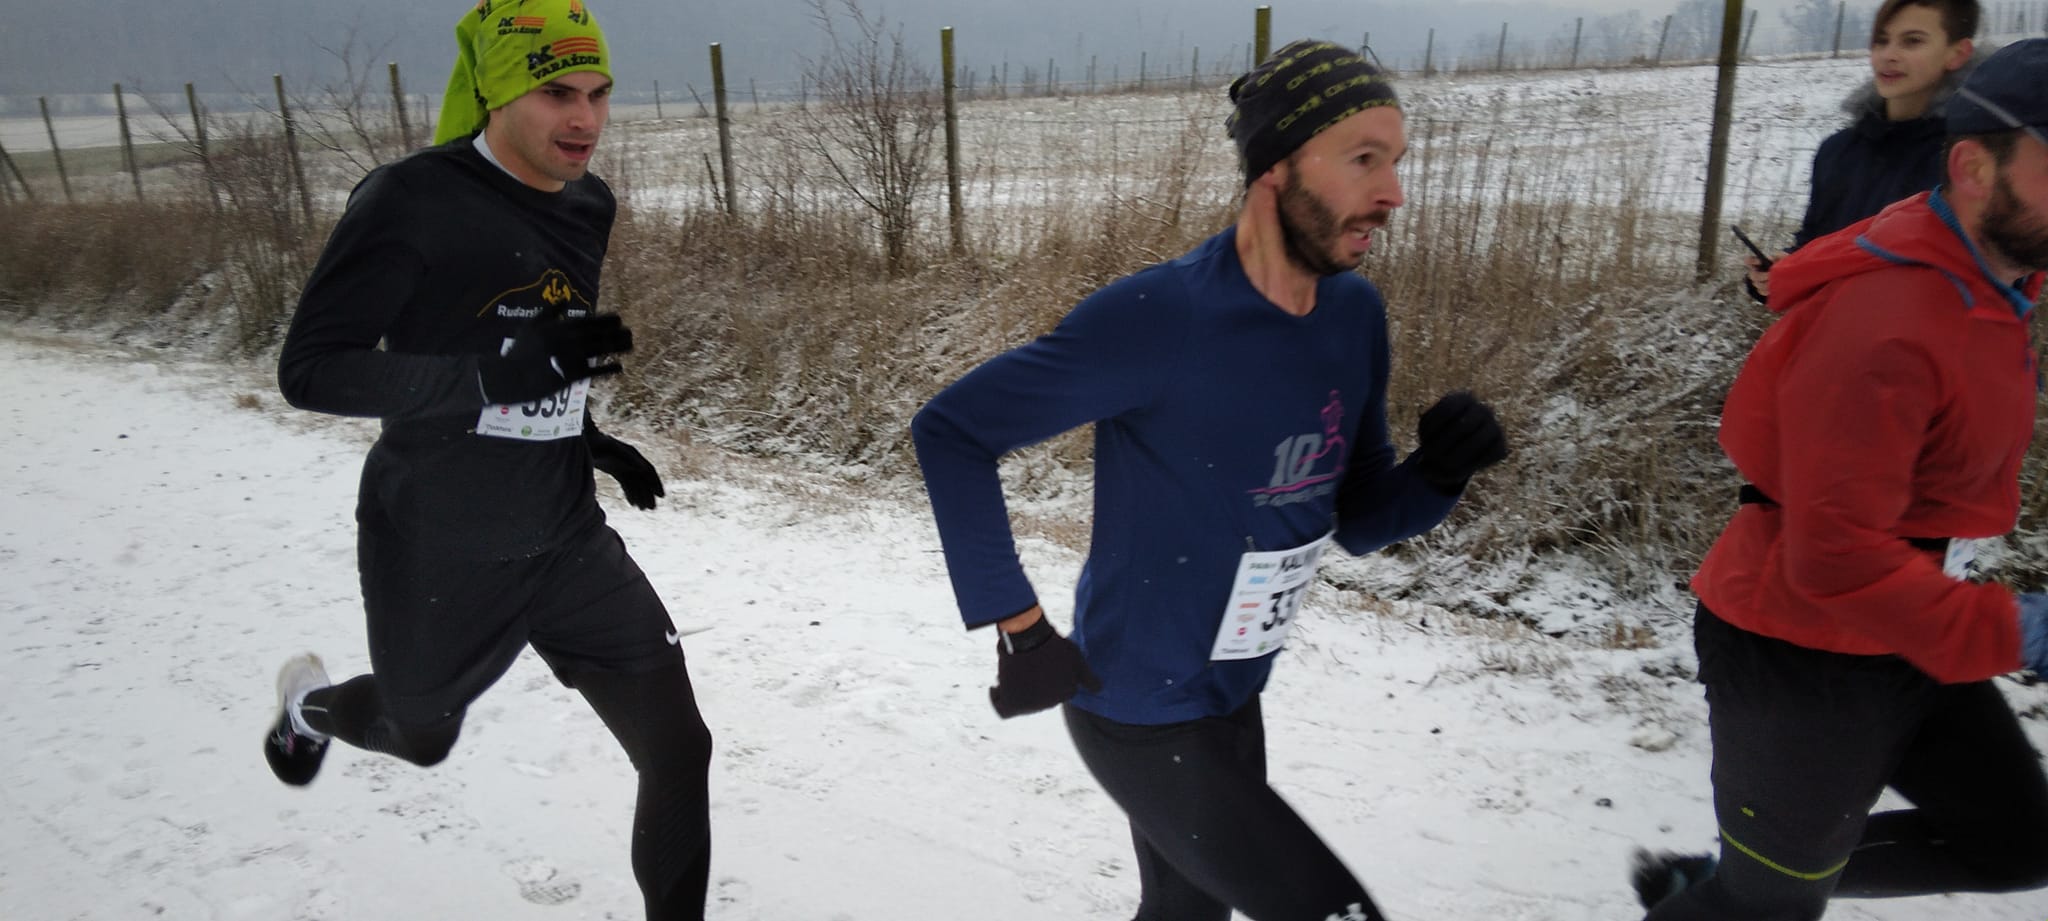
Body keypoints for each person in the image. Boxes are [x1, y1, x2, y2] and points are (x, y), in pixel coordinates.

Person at [911, 40, 1508, 921]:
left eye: (1397, 161)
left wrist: (1440, 473)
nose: (1394, 193)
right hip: (1138, 707)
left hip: (1234, 693)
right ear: (1277, 166)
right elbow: (953, 431)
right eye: (1364, 159)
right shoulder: (1161, 317)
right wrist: (1021, 627)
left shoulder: (1353, 315)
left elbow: (1358, 517)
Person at [261, 2, 712, 918]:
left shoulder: (587, 202)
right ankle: (310, 708)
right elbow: (311, 370)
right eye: (558, 93)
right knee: (419, 736)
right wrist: (491, 378)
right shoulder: (409, 200)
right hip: (439, 542)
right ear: (499, 93)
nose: (584, 118)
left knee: (678, 749)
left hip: (564, 538)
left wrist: (590, 439)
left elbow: (541, 343)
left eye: (598, 93)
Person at [1634, 37, 2048, 921]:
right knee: (1766, 911)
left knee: (2019, 840)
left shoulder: (1990, 279)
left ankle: (1754, 874)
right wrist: (2022, 628)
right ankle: (1746, 887)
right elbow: (1835, 557)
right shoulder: (1888, 320)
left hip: (1909, 622)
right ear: (1974, 168)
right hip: (1801, 647)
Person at [1745, 0, 1978, 303]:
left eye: (1912, 41)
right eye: (1881, 41)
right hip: (1829, 329)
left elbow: (1984, 284)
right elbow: (1815, 242)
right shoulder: (1838, 151)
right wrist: (1783, 270)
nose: (1888, 55)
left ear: (1957, 53)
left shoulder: (1970, 162)